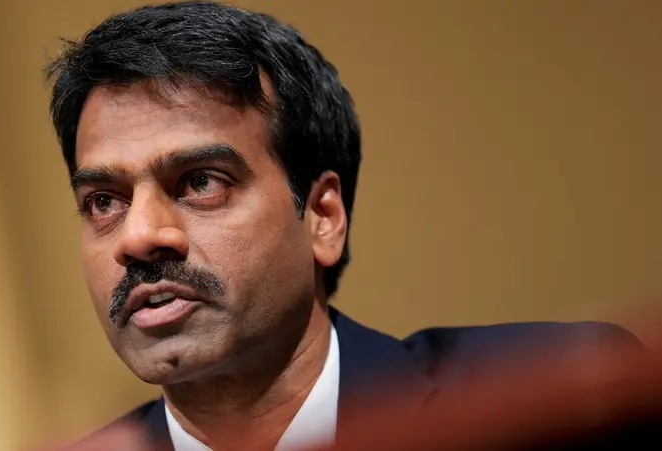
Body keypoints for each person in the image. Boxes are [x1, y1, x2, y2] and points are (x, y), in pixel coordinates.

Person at [43, 2, 650, 450]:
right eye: (104, 201)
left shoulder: (557, 402)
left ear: (323, 217)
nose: (138, 237)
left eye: (201, 182)